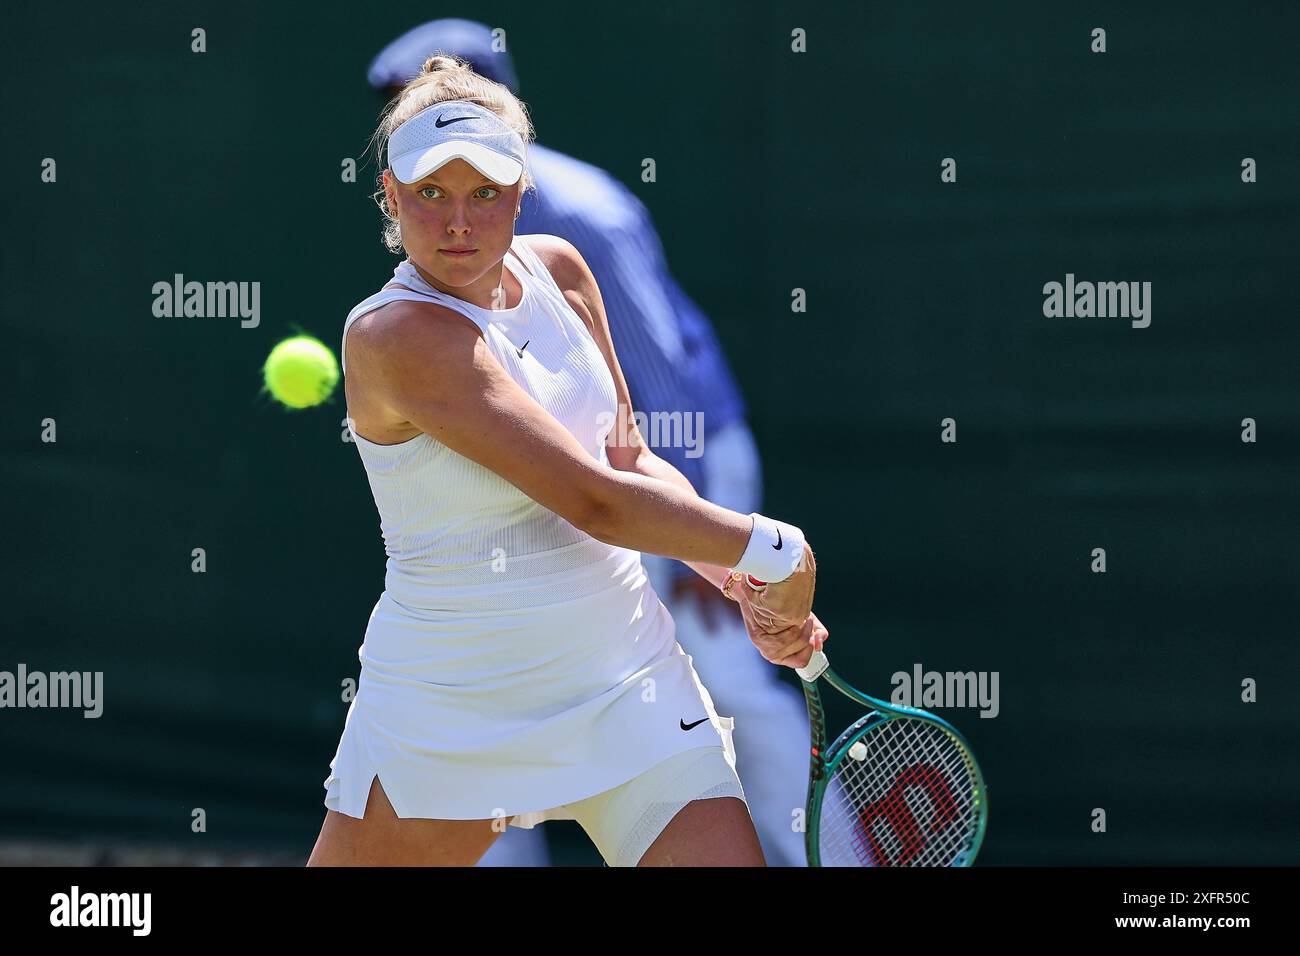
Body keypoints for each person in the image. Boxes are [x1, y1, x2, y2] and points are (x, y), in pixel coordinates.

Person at [308, 55, 827, 867]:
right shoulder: (396, 338)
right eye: (430, 194)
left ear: (521, 190)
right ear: (389, 195)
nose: (456, 223)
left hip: (627, 681)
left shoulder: (563, 272)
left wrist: (740, 584)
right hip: (453, 707)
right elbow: (593, 501)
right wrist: (773, 550)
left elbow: (627, 460)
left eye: (484, 193)